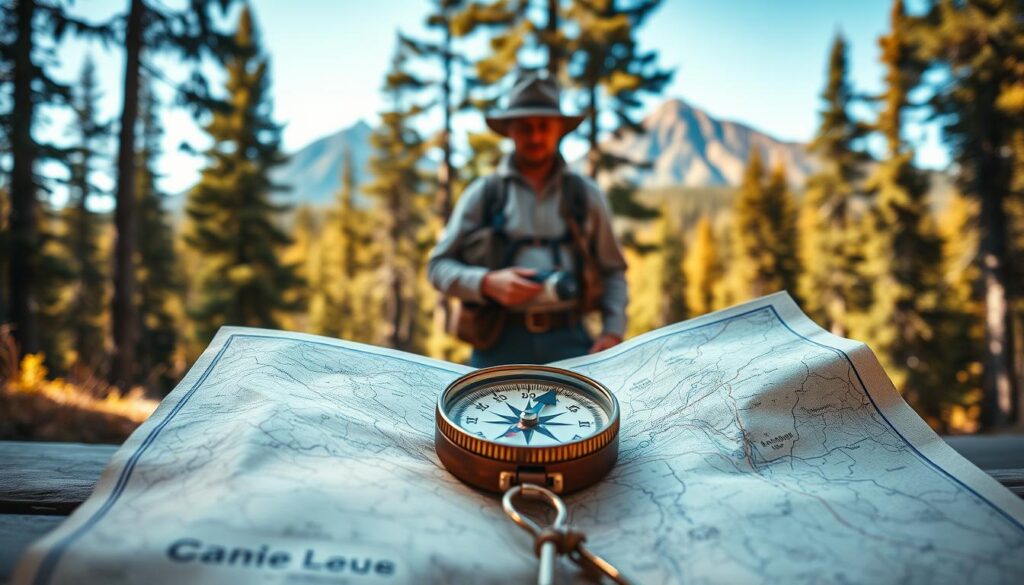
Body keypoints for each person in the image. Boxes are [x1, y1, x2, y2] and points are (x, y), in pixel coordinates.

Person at [427, 70, 628, 368]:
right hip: (496, 342)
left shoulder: (585, 195)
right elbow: (437, 267)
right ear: (509, 130)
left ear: (559, 128)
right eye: (525, 127)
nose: (535, 136)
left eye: (543, 126)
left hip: (572, 341)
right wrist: (486, 283)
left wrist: (613, 330)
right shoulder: (484, 194)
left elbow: (613, 271)